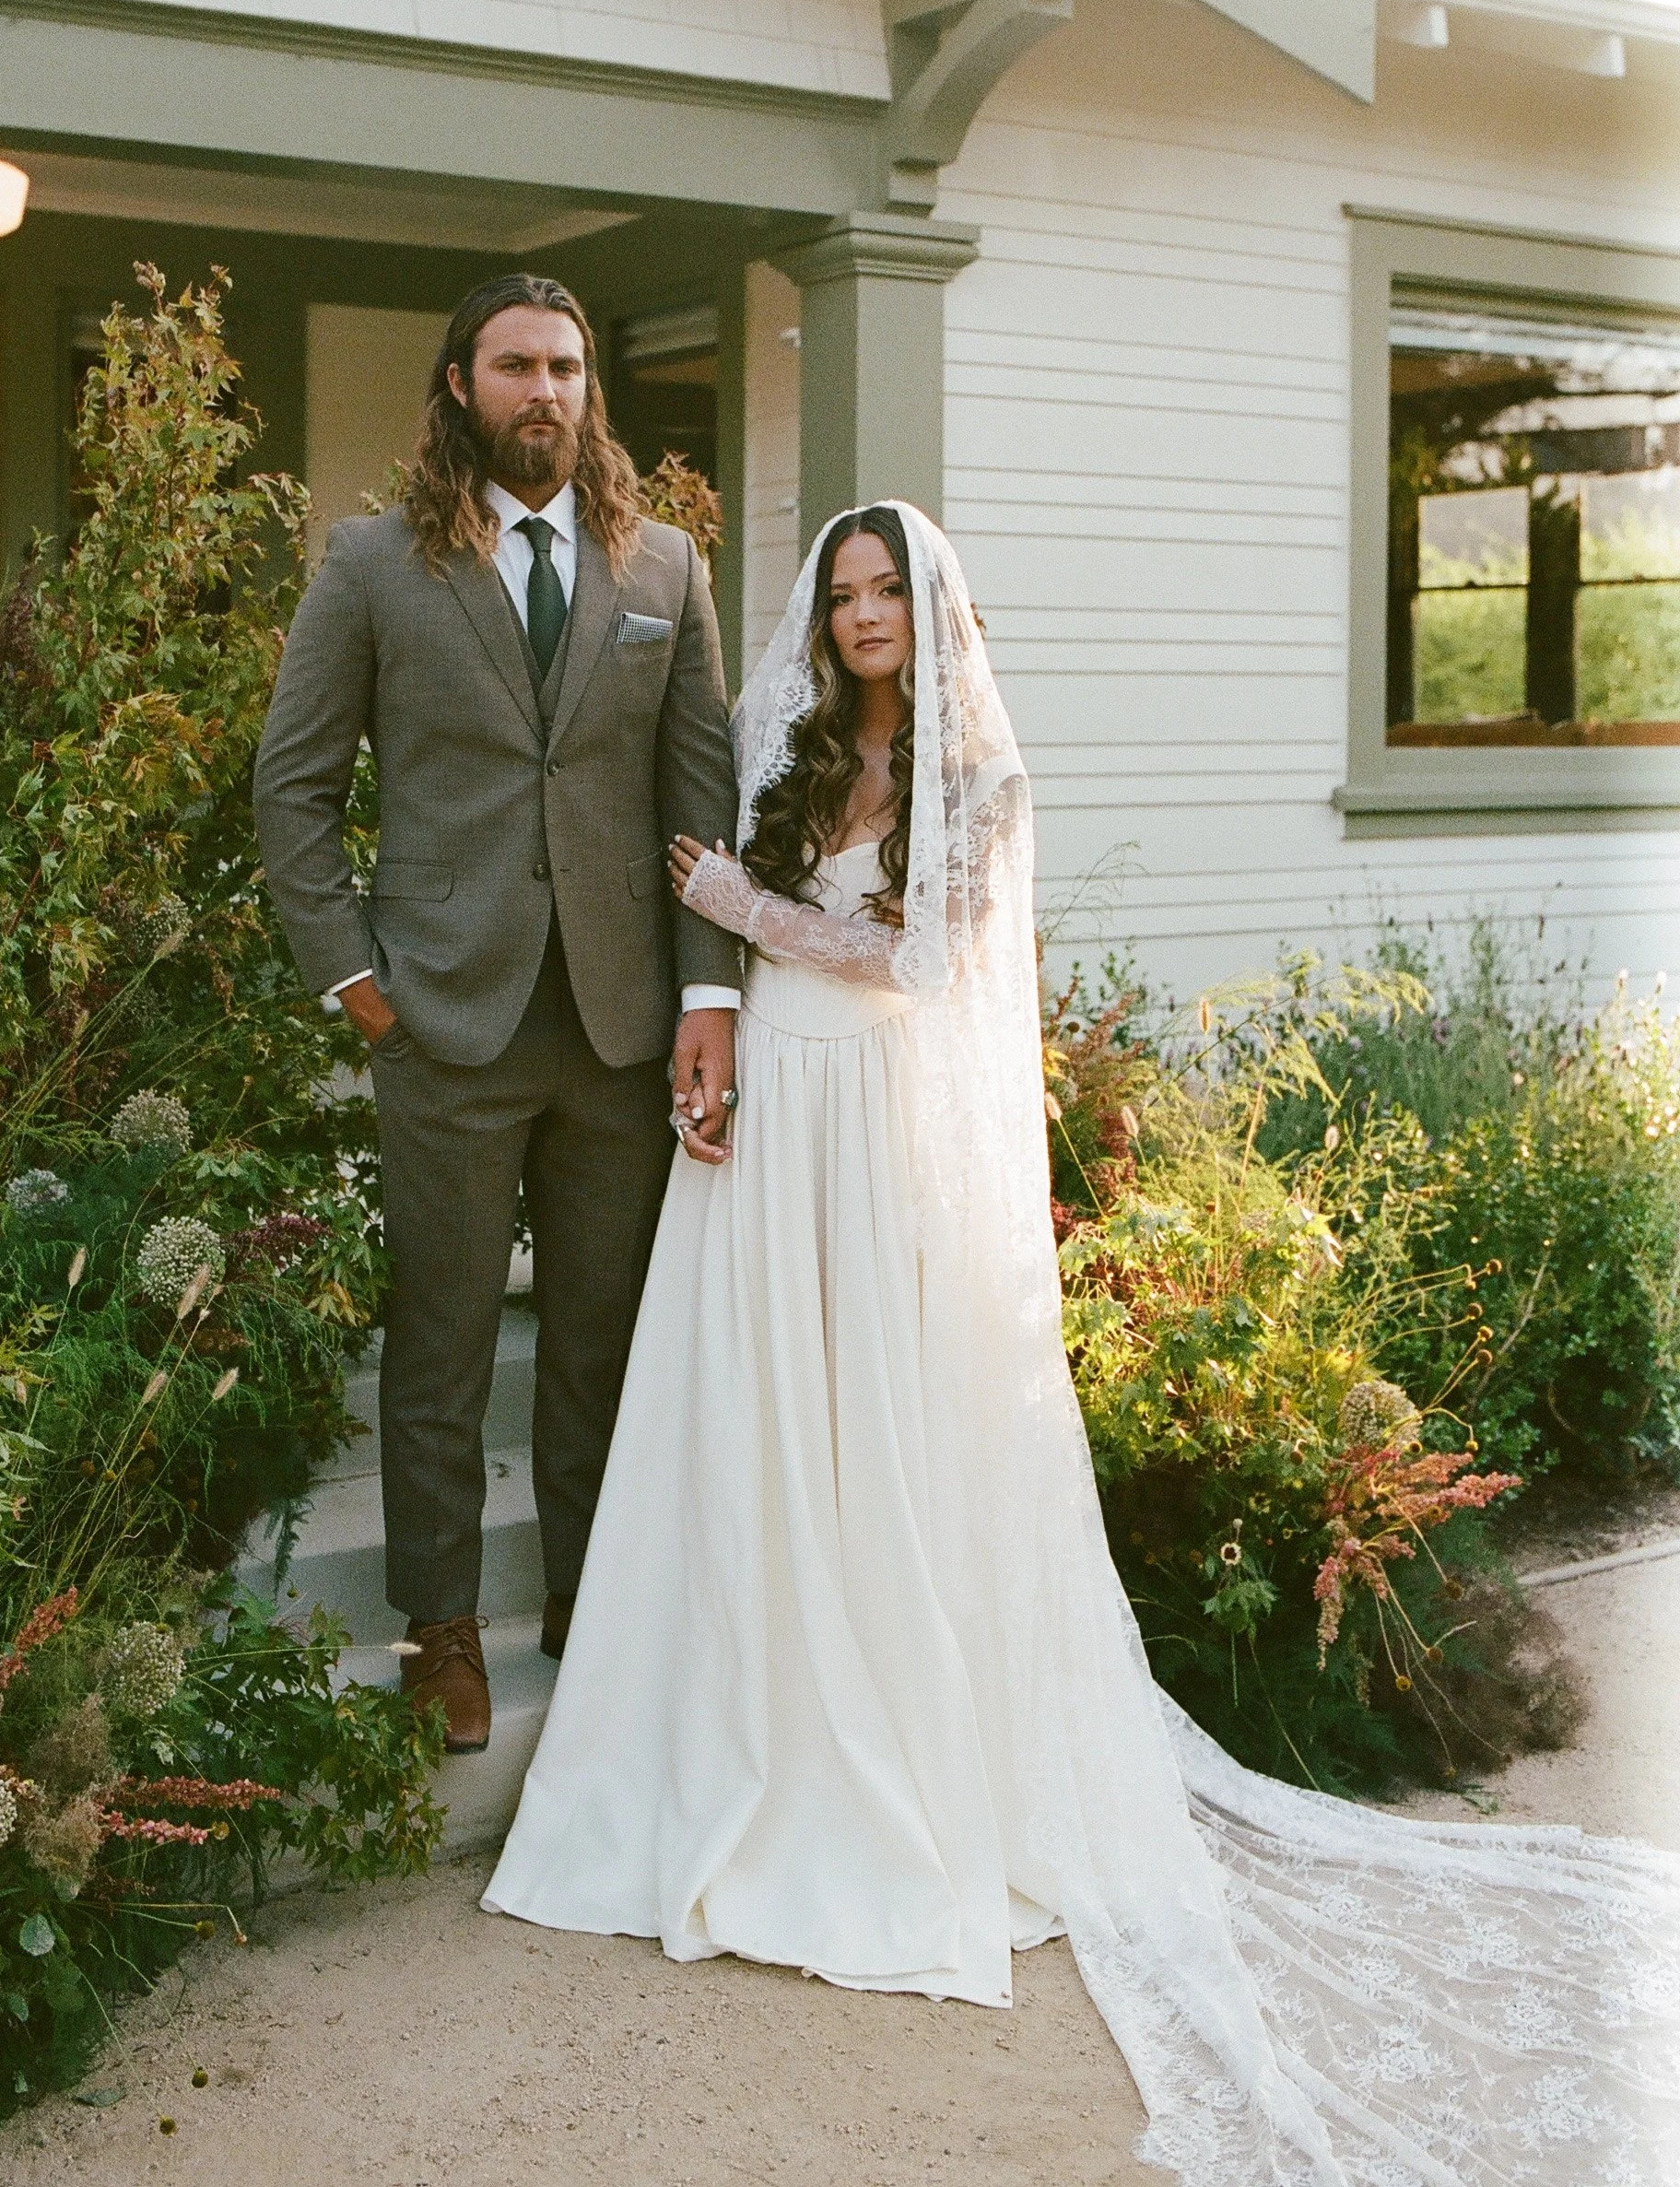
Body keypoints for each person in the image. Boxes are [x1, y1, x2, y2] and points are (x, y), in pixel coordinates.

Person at [486, 500, 1680, 2183]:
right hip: (771, 1126)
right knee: (754, 1420)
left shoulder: (988, 783)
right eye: (841, 595)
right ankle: (736, 1729)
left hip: (873, 1126)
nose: (862, 615)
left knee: (875, 1426)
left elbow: (918, 961)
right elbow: (730, 911)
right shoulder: (799, 753)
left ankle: (884, 1748)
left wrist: (745, 917)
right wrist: (724, 1012)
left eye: (888, 588)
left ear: (933, 604)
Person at [253, 275, 741, 1757]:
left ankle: (591, 1614)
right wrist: (356, 984)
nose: (546, 392)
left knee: (599, 1349)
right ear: (459, 385)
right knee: (444, 1348)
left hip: (616, 1027)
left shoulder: (664, 569)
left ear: (591, 393)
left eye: (569, 369)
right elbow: (294, 786)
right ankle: (440, 1629)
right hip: (444, 1025)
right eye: (517, 366)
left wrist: (707, 988)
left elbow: (700, 793)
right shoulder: (373, 567)